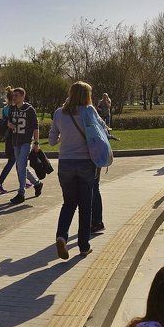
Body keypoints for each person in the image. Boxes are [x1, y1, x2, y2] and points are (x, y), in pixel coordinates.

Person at [48, 82, 104, 259]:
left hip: (65, 163)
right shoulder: (89, 111)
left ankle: (61, 236)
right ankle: (83, 245)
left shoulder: (59, 113)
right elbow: (102, 129)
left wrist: (64, 136)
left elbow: (51, 140)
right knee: (85, 205)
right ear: (87, 95)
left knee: (68, 203)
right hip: (86, 163)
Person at [5, 87, 43, 204]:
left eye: (16, 95)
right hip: (15, 141)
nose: (14, 97)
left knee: (20, 166)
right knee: (21, 166)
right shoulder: (12, 109)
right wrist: (9, 124)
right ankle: (37, 183)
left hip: (26, 142)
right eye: (13, 95)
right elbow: (9, 122)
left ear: (22, 96)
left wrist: (36, 142)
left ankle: (21, 193)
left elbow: (36, 127)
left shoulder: (29, 109)